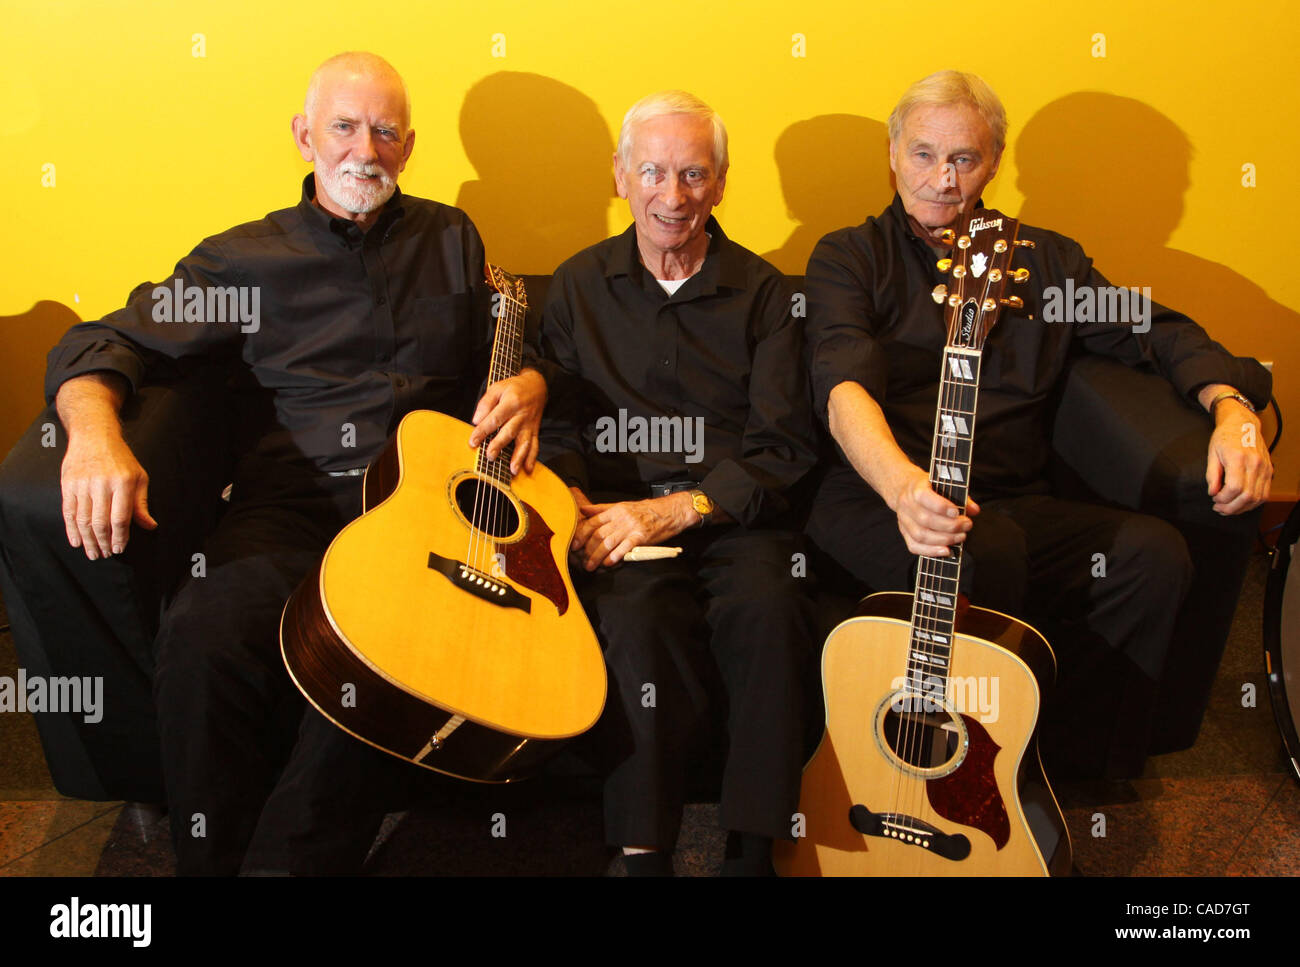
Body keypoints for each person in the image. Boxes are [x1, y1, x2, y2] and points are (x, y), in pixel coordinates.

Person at [37, 51, 548, 873]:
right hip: (288, 506)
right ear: (304, 135)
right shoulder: (242, 260)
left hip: (416, 513)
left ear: (409, 147)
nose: (365, 150)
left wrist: (528, 380)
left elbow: (515, 341)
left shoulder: (451, 238)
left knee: (381, 661)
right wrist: (93, 435)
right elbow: (105, 339)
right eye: (344, 127)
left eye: (385, 131)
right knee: (202, 635)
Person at [803, 70, 1273, 780]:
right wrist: (905, 489)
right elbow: (842, 385)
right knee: (982, 552)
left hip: (1010, 498)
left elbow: (1151, 329)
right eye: (924, 154)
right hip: (876, 494)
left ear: (993, 164)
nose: (942, 179)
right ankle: (958, 773)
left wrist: (1231, 408)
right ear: (893, 154)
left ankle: (1066, 772)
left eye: (963, 159)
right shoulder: (848, 256)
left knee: (1151, 554)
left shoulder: (1046, 260)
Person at [538, 91, 819, 875]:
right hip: (616, 517)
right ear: (621, 176)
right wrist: (574, 501)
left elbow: (782, 445)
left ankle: (754, 846)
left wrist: (680, 508)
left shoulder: (768, 296)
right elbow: (554, 421)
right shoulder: (574, 286)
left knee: (771, 608)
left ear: (722, 184)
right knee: (634, 622)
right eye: (653, 171)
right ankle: (641, 851)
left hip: (733, 514)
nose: (674, 194)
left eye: (694, 173)